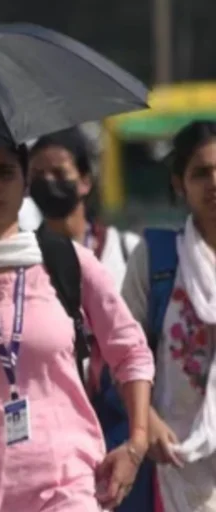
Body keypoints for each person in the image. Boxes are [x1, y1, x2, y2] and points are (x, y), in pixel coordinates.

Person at [0, 145, 155, 511]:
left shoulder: (67, 261)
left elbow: (130, 351)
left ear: (24, 183)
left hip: (67, 484)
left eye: (3, 173)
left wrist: (137, 442)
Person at [122, 120, 216, 512]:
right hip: (175, 459)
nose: (214, 181)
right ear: (180, 183)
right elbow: (122, 352)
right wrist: (147, 421)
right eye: (201, 173)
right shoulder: (157, 258)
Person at [28, 127, 140, 287]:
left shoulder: (126, 250)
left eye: (59, 173)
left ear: (85, 181)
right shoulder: (25, 257)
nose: (48, 181)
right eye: (38, 174)